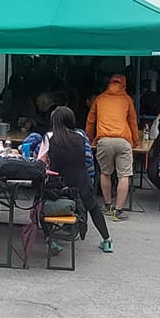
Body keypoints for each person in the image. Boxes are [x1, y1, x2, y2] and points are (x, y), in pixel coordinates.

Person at [41, 105, 113, 254]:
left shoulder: (49, 137)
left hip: (58, 187)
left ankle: (51, 242)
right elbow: (87, 159)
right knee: (94, 208)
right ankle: (107, 240)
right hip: (81, 184)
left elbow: (40, 162)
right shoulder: (81, 136)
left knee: (40, 206)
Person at [85, 71, 143, 221]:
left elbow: (90, 121)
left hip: (104, 140)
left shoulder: (100, 98)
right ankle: (119, 211)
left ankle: (108, 206)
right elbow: (132, 122)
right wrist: (135, 141)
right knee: (123, 175)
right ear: (124, 85)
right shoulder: (127, 99)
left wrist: (89, 139)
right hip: (123, 140)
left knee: (105, 173)